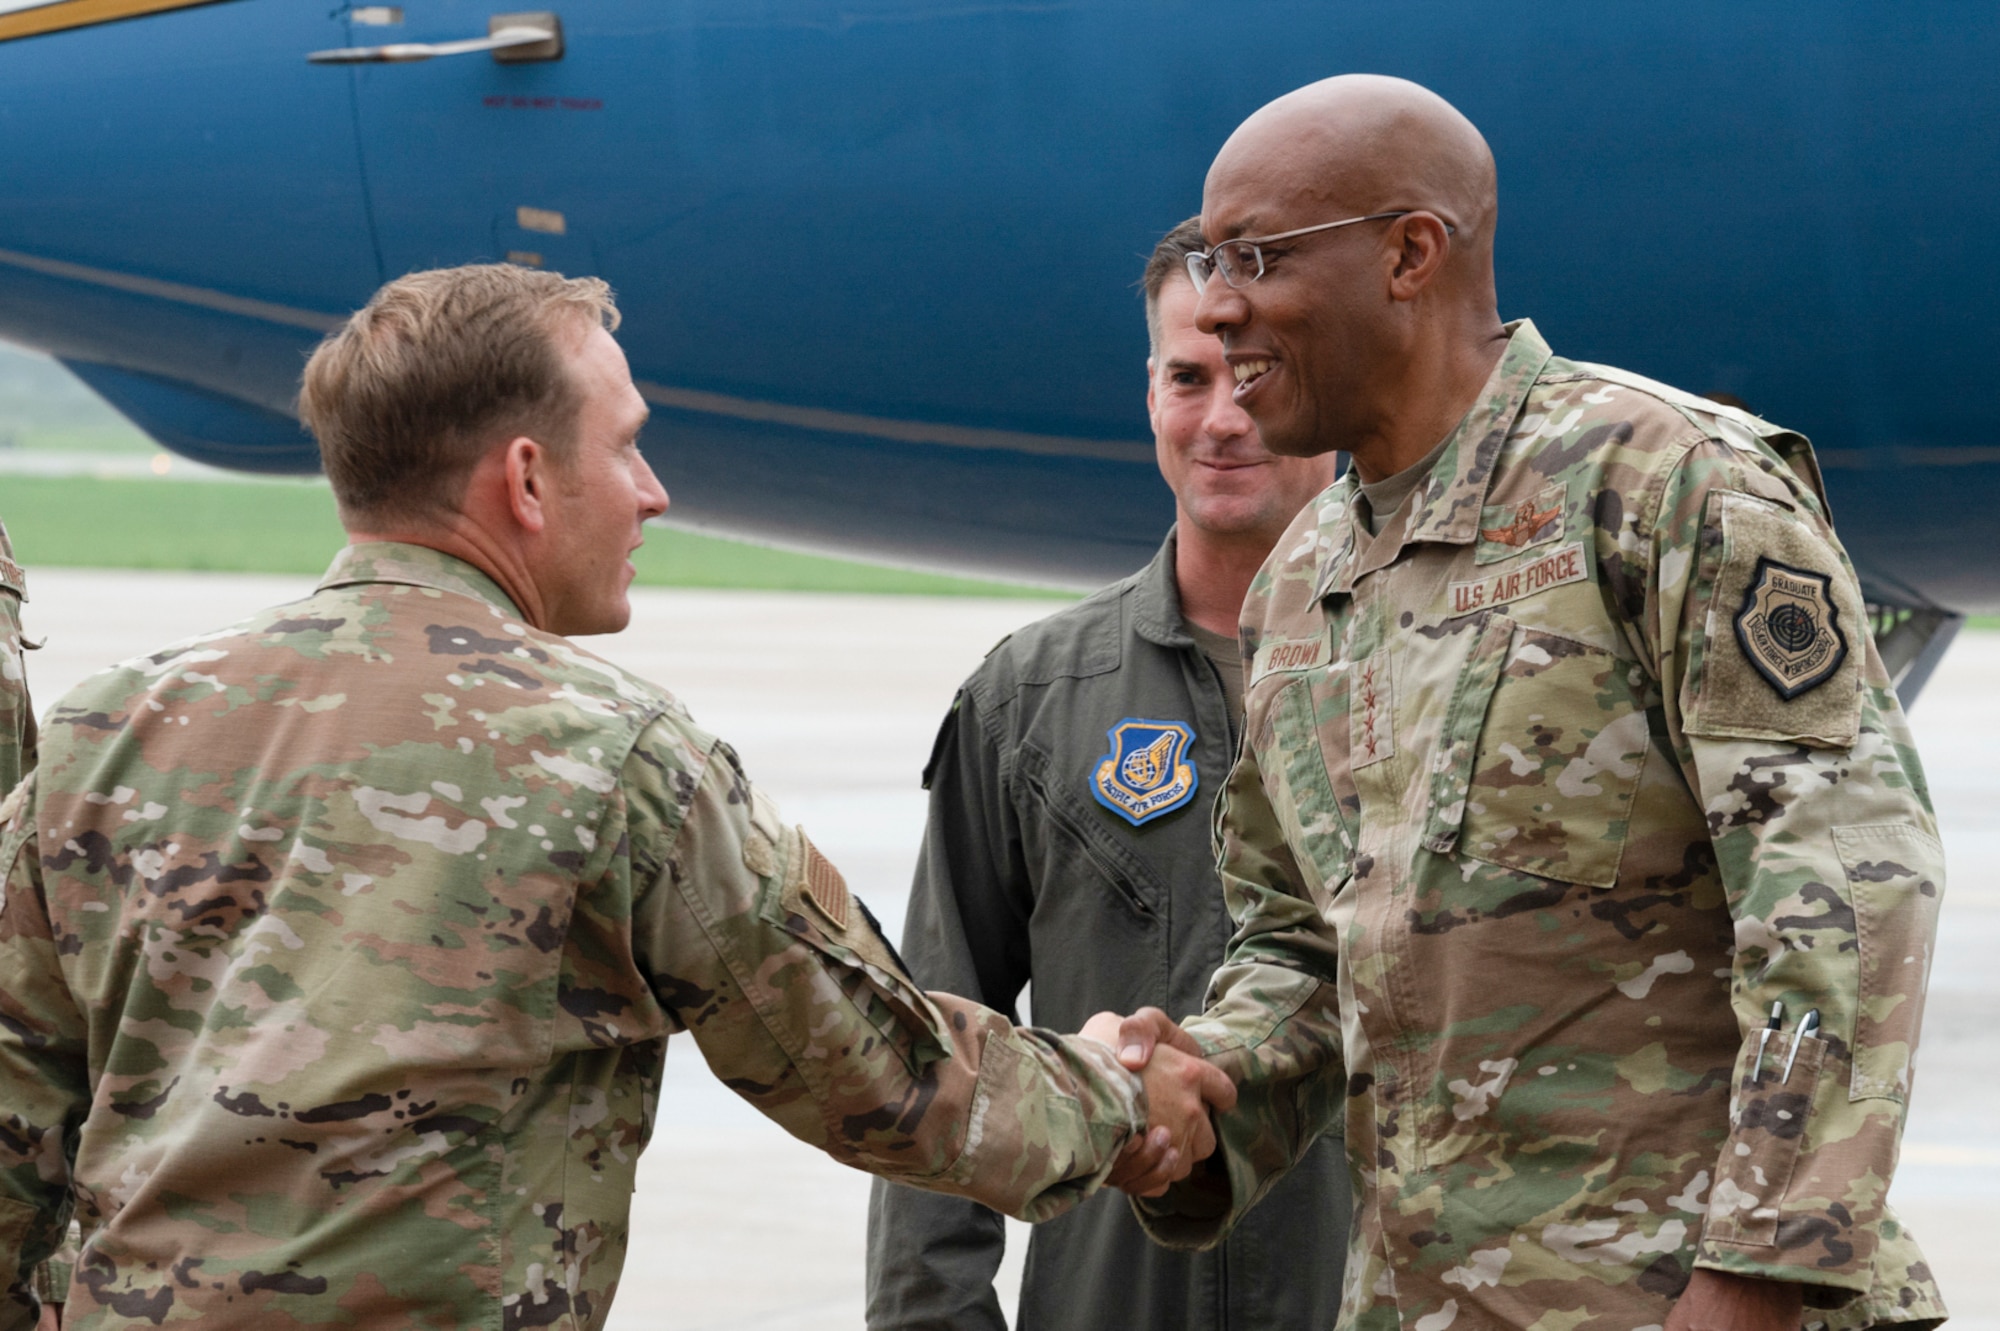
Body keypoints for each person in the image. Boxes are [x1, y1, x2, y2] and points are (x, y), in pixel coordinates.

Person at [0, 264, 1235, 1330]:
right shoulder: (609, 756)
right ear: (527, 478)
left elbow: (14, 1120)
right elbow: (877, 1071)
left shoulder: (109, 731)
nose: (652, 492)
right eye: (628, 442)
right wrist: (1118, 1091)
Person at [1107, 76, 1947, 1331]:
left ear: (1408, 253)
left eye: (1254, 255)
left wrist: (1759, 1266)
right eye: (1211, 257)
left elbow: (1843, 891)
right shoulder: (1305, 581)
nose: (1216, 302)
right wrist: (1192, 1091)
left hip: (1687, 1298)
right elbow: (1304, 948)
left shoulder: (1664, 484)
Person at [866, 218, 1349, 1331]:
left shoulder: (1434, 678)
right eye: (1188, 376)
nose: (1221, 418)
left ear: (1327, 394)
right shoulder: (1028, 700)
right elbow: (928, 1056)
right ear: (1148, 392)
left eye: (1257, 376)